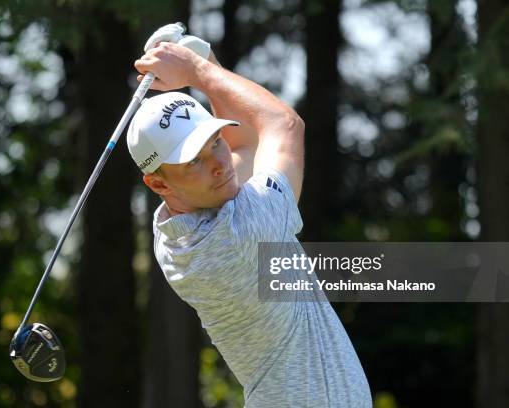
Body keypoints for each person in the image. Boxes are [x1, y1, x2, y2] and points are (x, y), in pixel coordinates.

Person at [127, 24, 372, 408]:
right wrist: (195, 70)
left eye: (214, 142)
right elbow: (283, 126)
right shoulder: (237, 238)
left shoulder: (182, 220)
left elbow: (243, 141)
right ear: (157, 184)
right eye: (194, 161)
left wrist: (203, 60)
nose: (219, 165)